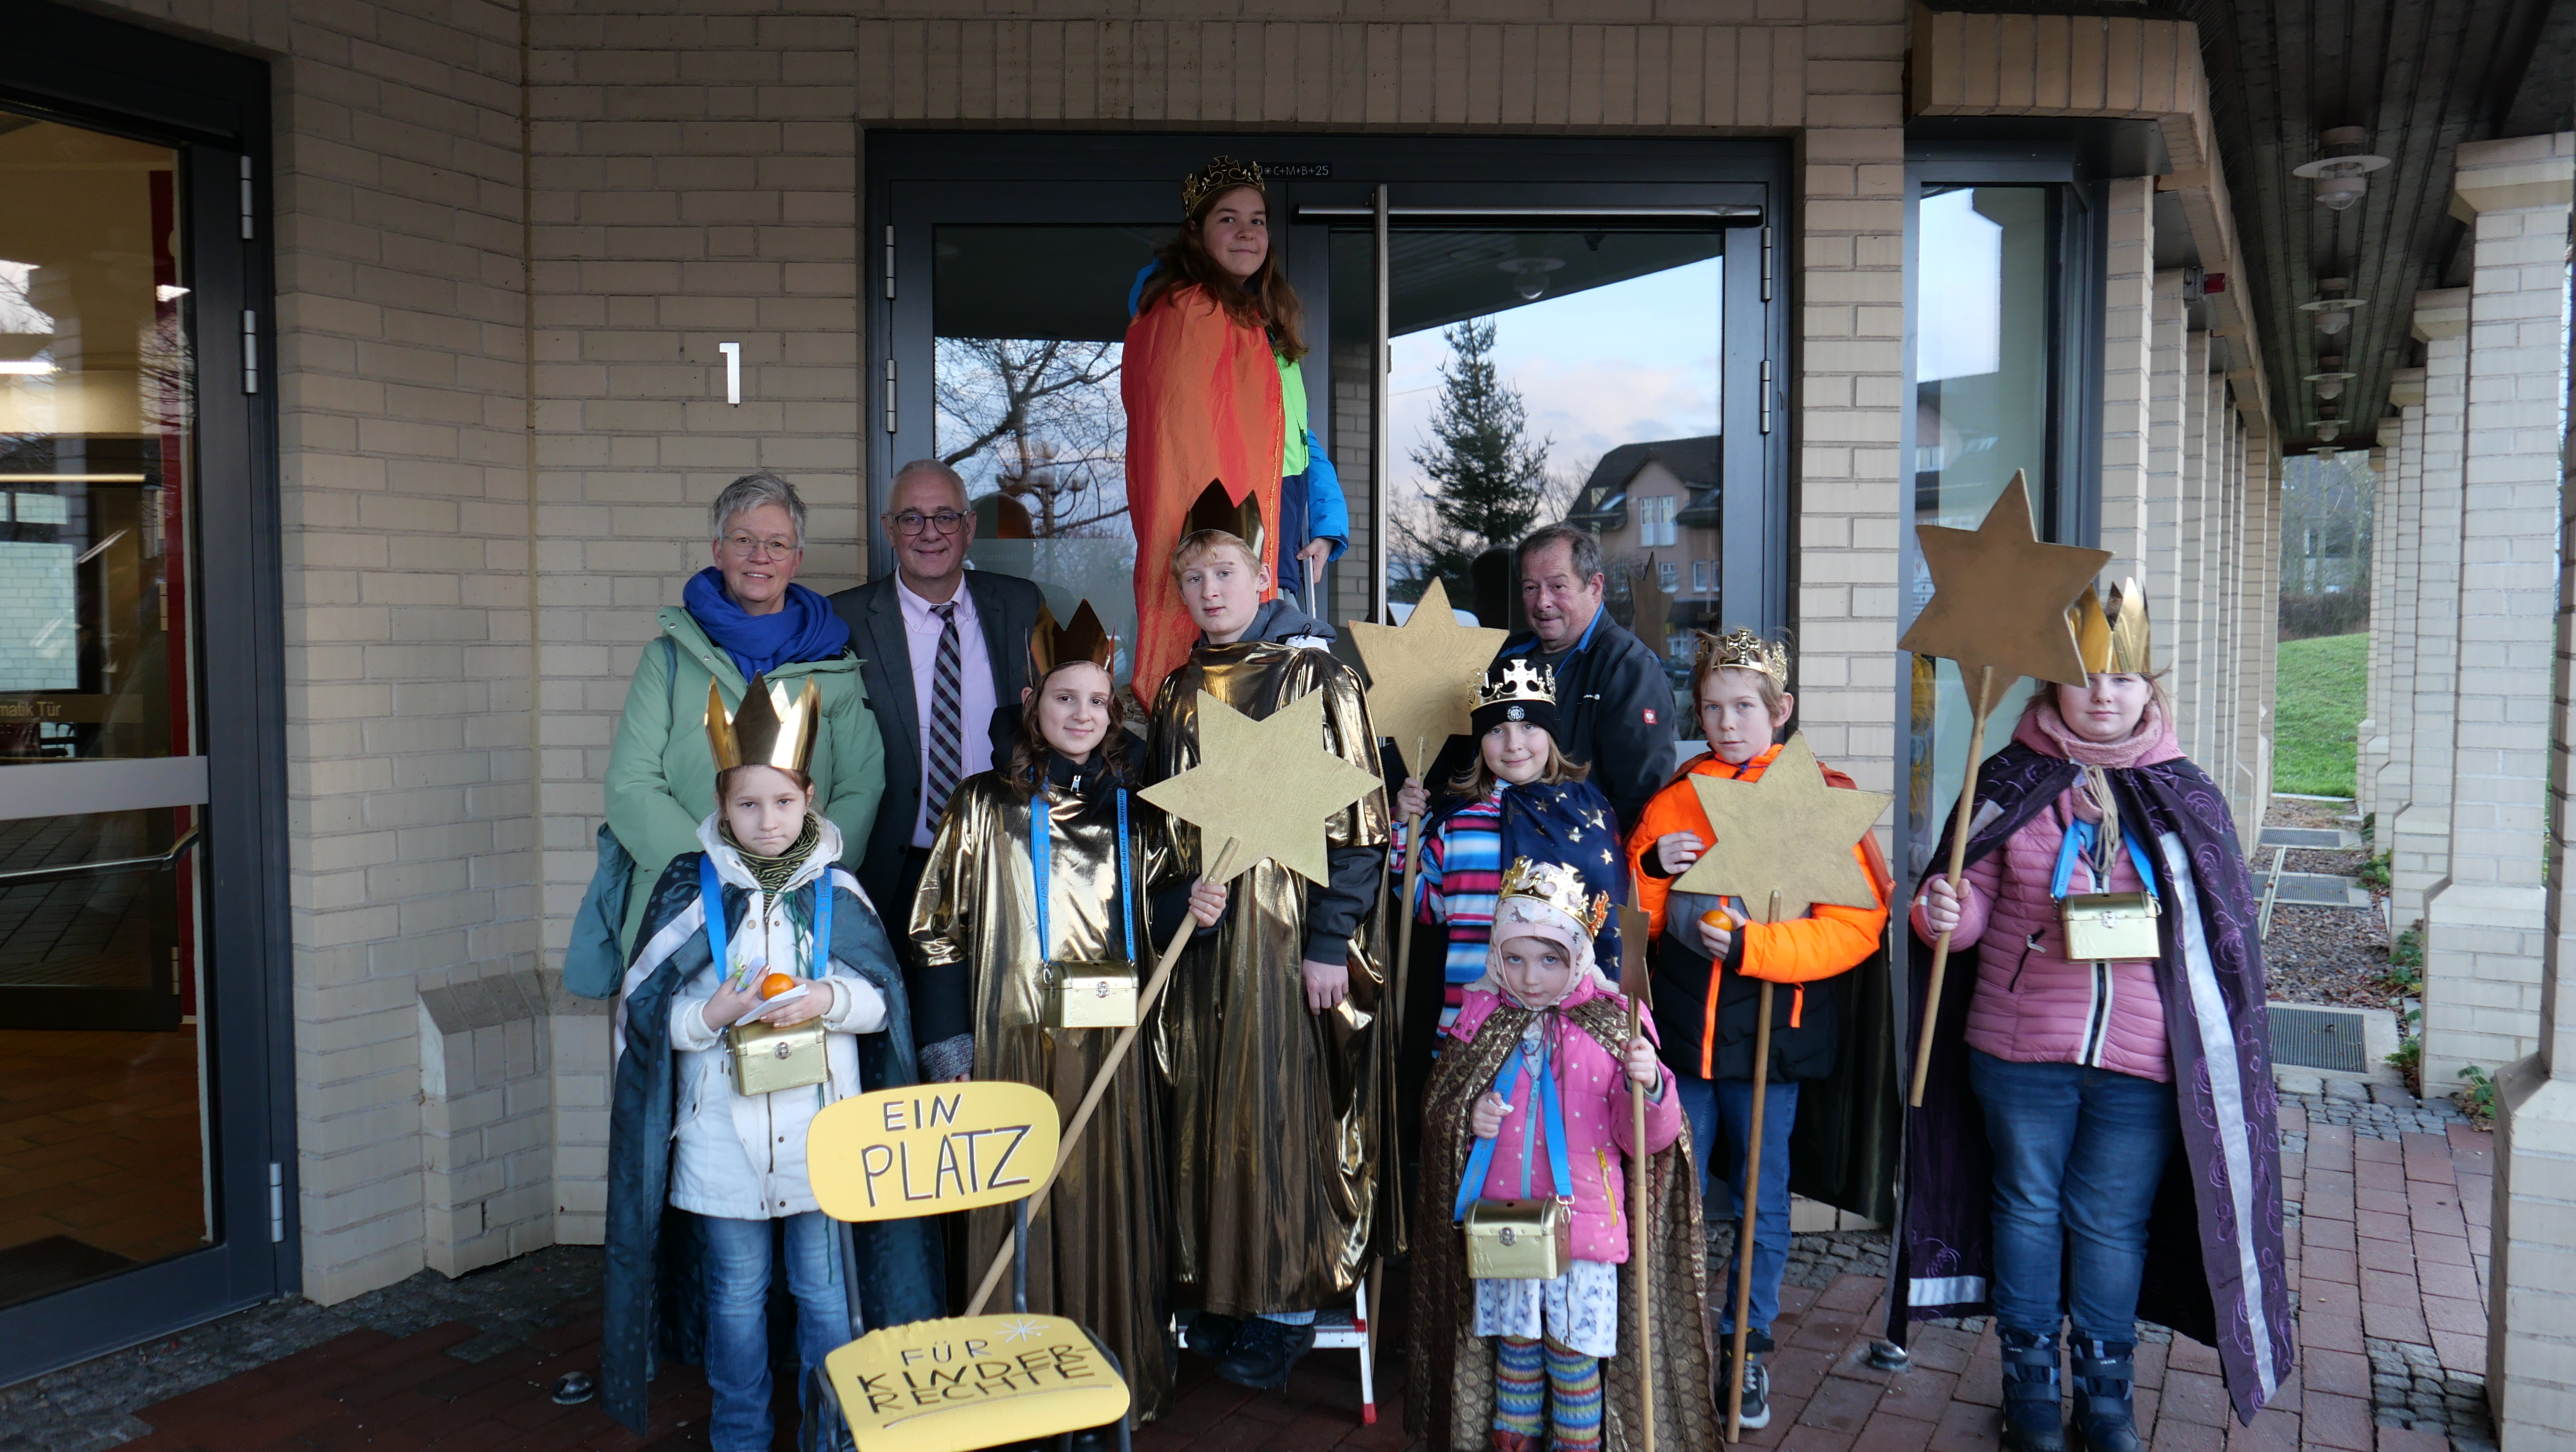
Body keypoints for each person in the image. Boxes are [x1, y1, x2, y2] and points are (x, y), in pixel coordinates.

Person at [1901, 582, 2292, 1450]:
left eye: (2122, 677)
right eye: (2083, 676)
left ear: (2150, 689)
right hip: (2016, 1048)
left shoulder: (2184, 794)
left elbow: (2215, 940)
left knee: (2109, 1221)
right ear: (2049, 686)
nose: (2103, 693)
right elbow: (1968, 918)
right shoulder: (2006, 777)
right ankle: (2032, 1390)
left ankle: (2106, 1396)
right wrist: (1941, 909)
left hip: (2141, 1059)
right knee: (2028, 1207)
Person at [906, 602, 1228, 1422]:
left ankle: (1106, 1373)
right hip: (1009, 1043)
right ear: (1029, 703)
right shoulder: (981, 803)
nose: (1082, 715)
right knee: (1014, 1200)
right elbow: (935, 929)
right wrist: (951, 1044)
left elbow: (1152, 920)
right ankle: (1005, 1379)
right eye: (1064, 699)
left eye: (1097, 700)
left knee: (1098, 1198)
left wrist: (1188, 905)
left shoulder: (1137, 808)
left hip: (1107, 1051)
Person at [600, 674, 938, 1446]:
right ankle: (741, 1434)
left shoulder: (838, 893)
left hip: (824, 1145)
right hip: (721, 1148)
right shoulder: (693, 894)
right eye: (748, 805)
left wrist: (829, 999)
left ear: (810, 798)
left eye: (783, 803)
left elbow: (886, 1004)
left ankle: (830, 1433)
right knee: (735, 1299)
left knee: (825, 1296)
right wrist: (709, 1016)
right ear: (722, 804)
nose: (766, 821)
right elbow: (643, 1015)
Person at [1143, 482, 1390, 1390]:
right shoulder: (1177, 689)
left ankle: (1283, 1299)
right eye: (1194, 576)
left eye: (1224, 571)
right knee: (1208, 1111)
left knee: (1282, 1111)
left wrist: (1331, 940)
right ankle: (1219, 1285)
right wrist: (1173, 912)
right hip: (1205, 944)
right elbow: (1160, 833)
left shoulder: (1316, 673)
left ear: (1260, 573)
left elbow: (1360, 822)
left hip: (1290, 939)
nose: (1209, 590)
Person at [1623, 628, 1891, 1430]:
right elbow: (1629, 927)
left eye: (1744, 707)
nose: (1726, 722)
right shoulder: (1678, 796)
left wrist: (1755, 947)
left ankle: (1747, 1345)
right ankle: (1669, 1337)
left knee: (1758, 1198)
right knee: (1675, 1193)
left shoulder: (1822, 797)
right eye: (1711, 707)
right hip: (1684, 1043)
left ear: (1781, 710)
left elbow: (1856, 927)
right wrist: (1650, 871)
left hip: (1772, 1046)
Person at [1408, 858, 1712, 1452]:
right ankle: (1514, 1442)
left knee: (1573, 1356)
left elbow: (1645, 1141)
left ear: (1576, 955)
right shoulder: (1480, 1018)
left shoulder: (1612, 1024)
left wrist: (1647, 1085)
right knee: (1515, 1353)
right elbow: (1441, 1112)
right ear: (1496, 954)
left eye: (1549, 959)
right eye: (1515, 958)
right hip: (1504, 1223)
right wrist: (1469, 1119)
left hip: (1584, 1230)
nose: (1530, 978)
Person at [606, 471, 884, 958]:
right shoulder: (667, 660)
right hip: (684, 906)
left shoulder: (835, 662)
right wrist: (713, 876)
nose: (760, 556)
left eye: (777, 543)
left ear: (796, 559)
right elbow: (632, 785)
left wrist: (804, 874)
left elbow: (862, 784)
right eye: (743, 540)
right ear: (718, 552)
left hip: (802, 910)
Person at [831, 458, 1046, 1081]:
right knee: (892, 1042)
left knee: (1000, 1033)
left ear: (969, 526)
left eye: (944, 516)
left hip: (1002, 862)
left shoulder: (1017, 605)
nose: (930, 531)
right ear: (888, 528)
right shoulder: (843, 620)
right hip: (896, 866)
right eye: (912, 518)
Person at [1122, 154, 1348, 707]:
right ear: (1196, 233)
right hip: (1230, 541)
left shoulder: (1262, 317)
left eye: (1257, 220)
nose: (1246, 232)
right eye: (1228, 219)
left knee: (1276, 709)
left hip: (1281, 539)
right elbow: (1183, 448)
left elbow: (1296, 435)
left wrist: (1325, 520)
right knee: (1223, 709)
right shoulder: (1186, 311)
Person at [1391, 657, 1627, 1042]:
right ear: (1479, 742)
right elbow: (1421, 908)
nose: (1514, 744)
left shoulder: (1586, 813)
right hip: (1471, 1025)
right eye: (1496, 730)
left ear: (1552, 735)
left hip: (1566, 1034)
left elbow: (1608, 917)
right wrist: (1404, 827)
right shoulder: (1458, 824)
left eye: (1529, 726)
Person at [1428, 526, 1675, 838]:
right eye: (1531, 588)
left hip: (1579, 861)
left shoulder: (1628, 668)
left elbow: (1641, 801)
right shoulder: (1502, 657)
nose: (1542, 602)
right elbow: (1458, 756)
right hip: (1492, 849)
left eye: (1558, 586)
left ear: (1595, 586)